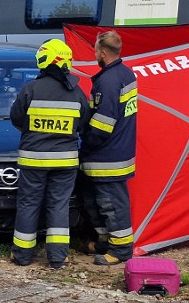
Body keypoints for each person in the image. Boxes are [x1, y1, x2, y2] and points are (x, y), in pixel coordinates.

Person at [9, 38, 91, 269]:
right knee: (59, 205)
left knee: (28, 204)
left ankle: (22, 256)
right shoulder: (76, 92)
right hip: (65, 162)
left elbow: (17, 119)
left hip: (33, 159)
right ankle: (58, 258)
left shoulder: (30, 89)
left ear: (44, 61)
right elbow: (83, 122)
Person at [79, 30, 138, 266]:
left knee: (112, 205)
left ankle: (121, 250)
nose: (95, 54)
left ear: (103, 52)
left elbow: (103, 124)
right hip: (117, 151)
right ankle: (105, 242)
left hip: (107, 155)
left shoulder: (109, 80)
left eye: (95, 50)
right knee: (100, 202)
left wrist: (85, 143)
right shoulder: (125, 74)